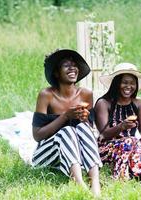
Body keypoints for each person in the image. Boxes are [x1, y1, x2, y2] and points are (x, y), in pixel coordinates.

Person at [31, 49, 102, 196]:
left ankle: (95, 183)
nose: (72, 68)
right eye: (66, 65)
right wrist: (65, 117)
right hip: (46, 154)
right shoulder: (46, 95)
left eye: (74, 65)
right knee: (67, 130)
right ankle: (79, 183)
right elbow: (37, 135)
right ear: (56, 73)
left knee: (82, 127)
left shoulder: (86, 94)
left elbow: (89, 131)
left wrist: (85, 120)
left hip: (75, 154)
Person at [94, 62, 141, 183]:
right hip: (107, 148)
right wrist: (121, 126)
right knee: (130, 140)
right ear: (116, 83)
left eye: (132, 83)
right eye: (125, 82)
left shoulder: (138, 103)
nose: (129, 86)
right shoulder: (104, 103)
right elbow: (103, 134)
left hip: (132, 146)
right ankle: (128, 175)